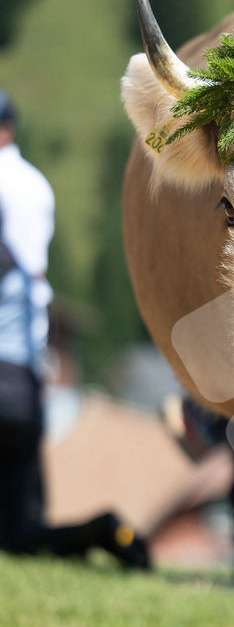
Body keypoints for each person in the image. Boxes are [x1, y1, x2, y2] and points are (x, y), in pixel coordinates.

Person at [0, 88, 149, 568]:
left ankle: (107, 532)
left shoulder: (13, 184)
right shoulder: (30, 184)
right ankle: (107, 532)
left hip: (8, 366)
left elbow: (25, 276)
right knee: (19, 532)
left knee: (17, 532)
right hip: (20, 373)